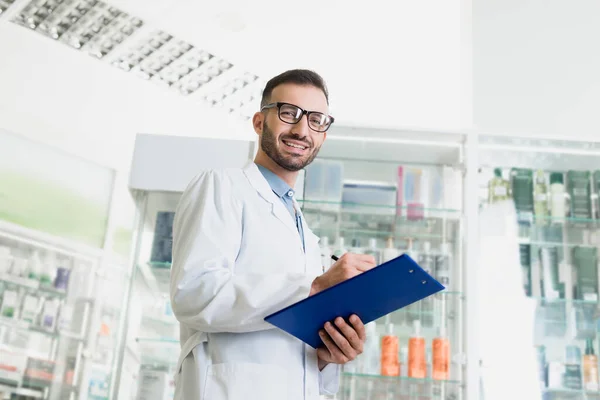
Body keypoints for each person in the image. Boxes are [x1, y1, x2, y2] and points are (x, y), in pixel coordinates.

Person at [170, 69, 377, 400]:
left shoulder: (308, 238)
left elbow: (294, 351)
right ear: (258, 122)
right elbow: (194, 293)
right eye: (289, 113)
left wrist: (326, 355)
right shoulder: (221, 186)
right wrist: (316, 287)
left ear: (323, 136)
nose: (301, 129)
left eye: (316, 120)